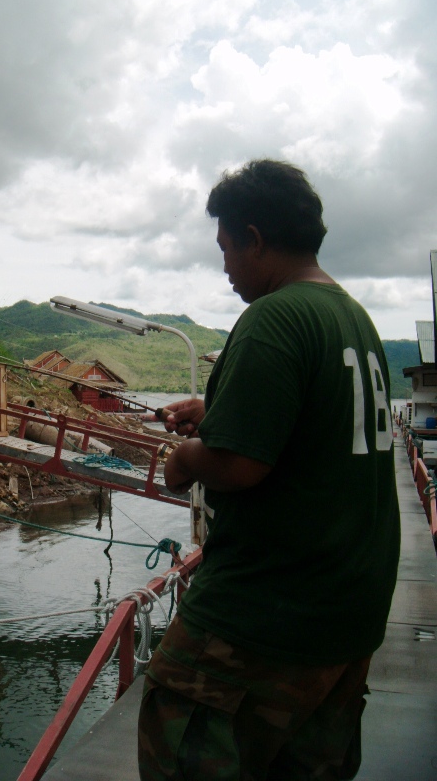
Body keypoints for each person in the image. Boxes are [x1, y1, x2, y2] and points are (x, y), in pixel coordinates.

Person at [137, 159, 400, 780]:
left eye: (227, 248)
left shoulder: (273, 318)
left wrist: (181, 461)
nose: (226, 268)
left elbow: (237, 464)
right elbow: (318, 423)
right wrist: (218, 409)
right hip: (344, 622)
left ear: (254, 238)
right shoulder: (352, 318)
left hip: (259, 621)